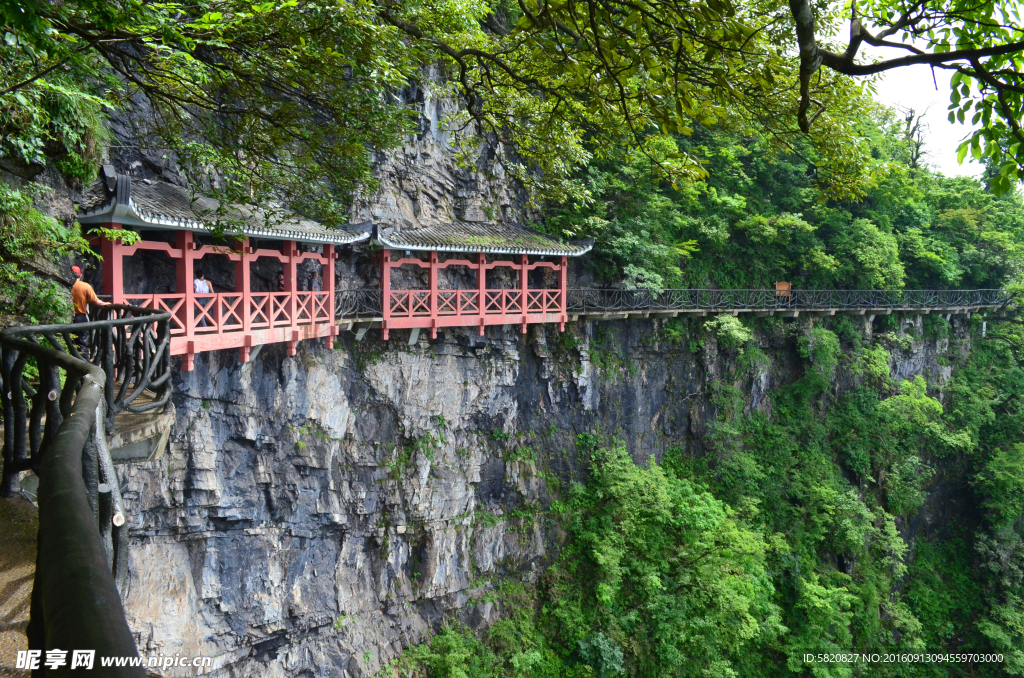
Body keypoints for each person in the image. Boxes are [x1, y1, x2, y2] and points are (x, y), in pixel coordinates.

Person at [71, 265, 110, 356]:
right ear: (80, 276)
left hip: (67, 317)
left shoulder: (65, 286)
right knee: (82, 343)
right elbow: (96, 302)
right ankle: (84, 364)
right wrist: (106, 304)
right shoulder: (85, 286)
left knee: (69, 343)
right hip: (80, 317)